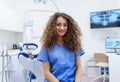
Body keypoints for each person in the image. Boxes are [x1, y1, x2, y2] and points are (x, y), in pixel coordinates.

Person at [37, 12, 85, 82]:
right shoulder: (47, 46)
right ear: (53, 26)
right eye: (58, 25)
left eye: (65, 25)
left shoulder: (75, 44)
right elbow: (46, 72)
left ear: (69, 27)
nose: (62, 28)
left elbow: (78, 67)